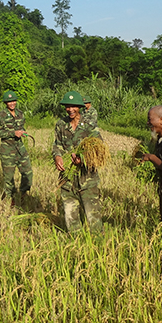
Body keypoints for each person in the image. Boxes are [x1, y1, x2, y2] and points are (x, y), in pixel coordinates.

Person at [53, 91, 103, 232]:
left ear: (80, 107)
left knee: (93, 215)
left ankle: (97, 243)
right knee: (70, 214)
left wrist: (83, 159)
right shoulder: (61, 124)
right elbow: (57, 145)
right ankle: (75, 242)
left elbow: (98, 147)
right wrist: (57, 156)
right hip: (67, 178)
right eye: (67, 106)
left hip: (87, 178)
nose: (70, 110)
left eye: (74, 106)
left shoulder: (89, 125)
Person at [0, 90, 33, 205]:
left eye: (13, 101)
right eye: (9, 101)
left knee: (28, 172)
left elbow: (21, 127)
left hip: (20, 148)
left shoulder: (20, 114)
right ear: (5, 103)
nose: (12, 103)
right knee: (9, 176)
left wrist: (22, 132)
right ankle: (10, 198)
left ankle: (23, 193)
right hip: (7, 149)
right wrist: (13, 133)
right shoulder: (1, 116)